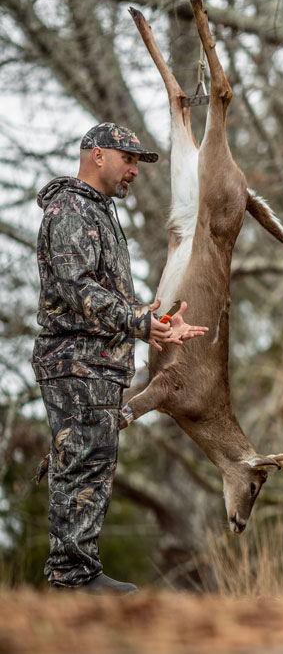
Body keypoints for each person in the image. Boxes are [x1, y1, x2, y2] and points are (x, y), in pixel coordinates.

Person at [33, 122, 208, 593]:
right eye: (127, 159)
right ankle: (72, 579)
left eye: (137, 163)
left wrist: (151, 324)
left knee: (94, 462)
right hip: (76, 365)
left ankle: (78, 573)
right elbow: (76, 287)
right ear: (96, 155)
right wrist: (136, 322)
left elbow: (97, 293)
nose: (134, 170)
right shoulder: (71, 208)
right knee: (81, 465)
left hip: (98, 365)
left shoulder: (99, 212)